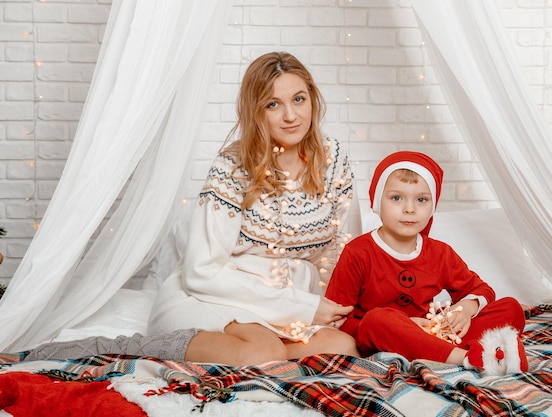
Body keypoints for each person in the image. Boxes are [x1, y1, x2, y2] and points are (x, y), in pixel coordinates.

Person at [24, 51, 362, 366]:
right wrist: (302, 307)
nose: (291, 115)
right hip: (211, 295)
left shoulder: (333, 159)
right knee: (264, 350)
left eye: (298, 99)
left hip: (288, 303)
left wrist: (331, 308)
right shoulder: (233, 166)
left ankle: (261, 356)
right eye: (274, 104)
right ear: (257, 111)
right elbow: (202, 271)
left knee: (342, 347)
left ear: (312, 99)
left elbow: (347, 250)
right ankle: (137, 348)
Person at [324, 151, 528, 376]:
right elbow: (338, 319)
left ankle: (440, 352)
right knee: (377, 319)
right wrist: (406, 326)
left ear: (432, 206)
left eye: (421, 200)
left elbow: (482, 290)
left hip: (435, 334)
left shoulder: (439, 253)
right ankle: (467, 357)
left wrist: (466, 309)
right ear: (377, 201)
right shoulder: (358, 252)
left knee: (511, 307)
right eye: (396, 198)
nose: (409, 209)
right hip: (384, 334)